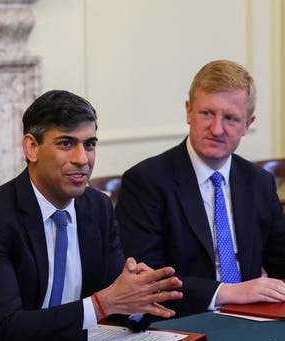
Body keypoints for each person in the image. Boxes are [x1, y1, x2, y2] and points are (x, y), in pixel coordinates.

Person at [0, 90, 183, 341]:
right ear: (32, 147)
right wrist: (102, 305)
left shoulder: (98, 208)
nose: (82, 158)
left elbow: (118, 295)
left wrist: (141, 299)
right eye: (66, 144)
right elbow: (4, 331)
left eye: (90, 144)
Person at [115, 59, 285, 319]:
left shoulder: (259, 182)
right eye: (207, 113)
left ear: (247, 124)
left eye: (230, 118)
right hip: (182, 322)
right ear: (188, 111)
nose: (216, 129)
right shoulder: (146, 181)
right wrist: (227, 292)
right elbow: (147, 280)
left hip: (254, 319)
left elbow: (281, 263)